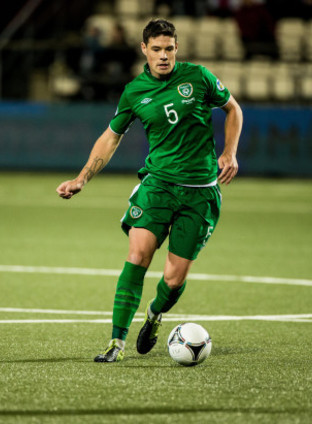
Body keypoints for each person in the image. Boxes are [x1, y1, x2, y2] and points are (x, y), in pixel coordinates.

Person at [56, 18, 242, 362]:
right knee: (138, 256)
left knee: (173, 279)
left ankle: (155, 314)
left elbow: (233, 109)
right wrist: (82, 178)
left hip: (201, 192)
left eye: (169, 49)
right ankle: (116, 342)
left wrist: (229, 152)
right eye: (156, 49)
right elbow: (110, 137)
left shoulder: (198, 77)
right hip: (157, 186)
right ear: (144, 50)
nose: (163, 56)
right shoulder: (134, 92)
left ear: (176, 49)